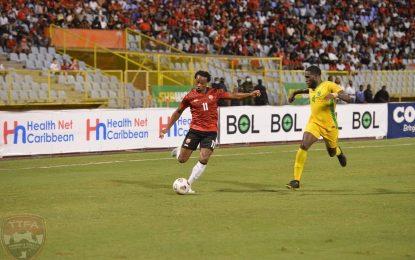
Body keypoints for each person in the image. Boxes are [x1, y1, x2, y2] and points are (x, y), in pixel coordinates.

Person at [159, 70, 260, 194]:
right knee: (182, 160)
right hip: (194, 131)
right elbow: (178, 112)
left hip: (210, 132)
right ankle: (179, 151)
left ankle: (188, 185)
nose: (199, 85)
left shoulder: (215, 93)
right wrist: (167, 128)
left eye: (201, 83)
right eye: (197, 82)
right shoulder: (190, 96)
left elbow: (234, 96)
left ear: (206, 82)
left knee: (204, 158)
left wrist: (250, 94)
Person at [286, 65, 351, 190]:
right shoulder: (312, 88)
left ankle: (338, 152)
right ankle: (296, 180)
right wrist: (295, 92)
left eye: (308, 77)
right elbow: (307, 91)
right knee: (304, 145)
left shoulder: (329, 85)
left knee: (331, 152)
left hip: (330, 126)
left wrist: (335, 95)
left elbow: (348, 98)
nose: (306, 80)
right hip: (314, 123)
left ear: (316, 76)